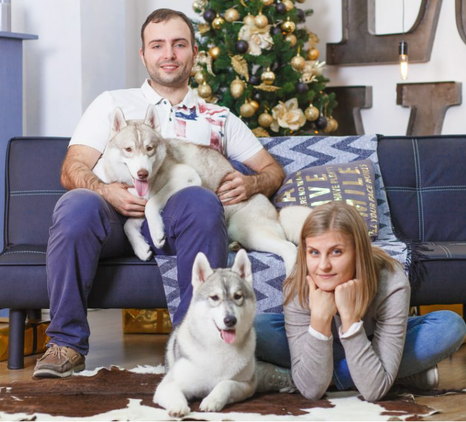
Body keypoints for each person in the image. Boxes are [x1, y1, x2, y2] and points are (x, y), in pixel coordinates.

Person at [33, 8, 285, 378]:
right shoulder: (112, 104)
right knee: (76, 205)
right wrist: (107, 191)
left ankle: (191, 348)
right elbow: (72, 169)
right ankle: (66, 344)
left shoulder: (218, 117)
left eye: (179, 44)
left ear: (194, 53)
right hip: (115, 221)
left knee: (200, 199)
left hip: (184, 220)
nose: (169, 54)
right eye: (158, 45)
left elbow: (273, 170)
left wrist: (252, 183)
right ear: (144, 55)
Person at [253, 202, 466, 401]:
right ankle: (394, 374)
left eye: (336, 252)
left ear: (358, 252)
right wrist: (319, 320)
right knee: (257, 329)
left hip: (373, 341)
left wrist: (350, 319)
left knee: (450, 326)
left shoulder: (391, 281)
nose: (323, 266)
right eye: (314, 253)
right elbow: (311, 391)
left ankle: (302, 378)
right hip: (320, 345)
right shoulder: (298, 283)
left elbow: (373, 392)